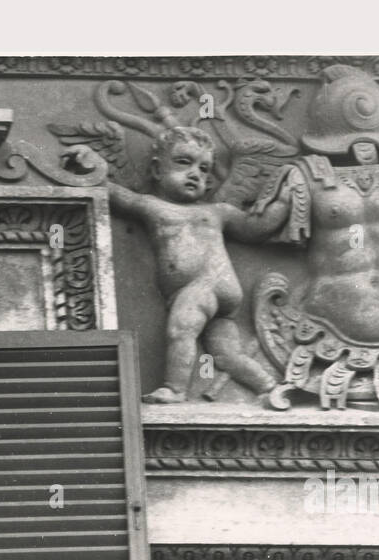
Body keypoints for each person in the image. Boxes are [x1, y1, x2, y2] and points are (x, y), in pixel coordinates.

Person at [107, 126, 285, 404]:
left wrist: (287, 200)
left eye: (204, 169)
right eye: (183, 162)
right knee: (227, 356)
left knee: (181, 328)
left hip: (207, 284)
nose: (195, 174)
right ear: (156, 171)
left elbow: (255, 228)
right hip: (207, 296)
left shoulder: (217, 212)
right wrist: (90, 168)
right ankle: (270, 387)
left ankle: (175, 388)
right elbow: (117, 196)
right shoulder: (152, 206)